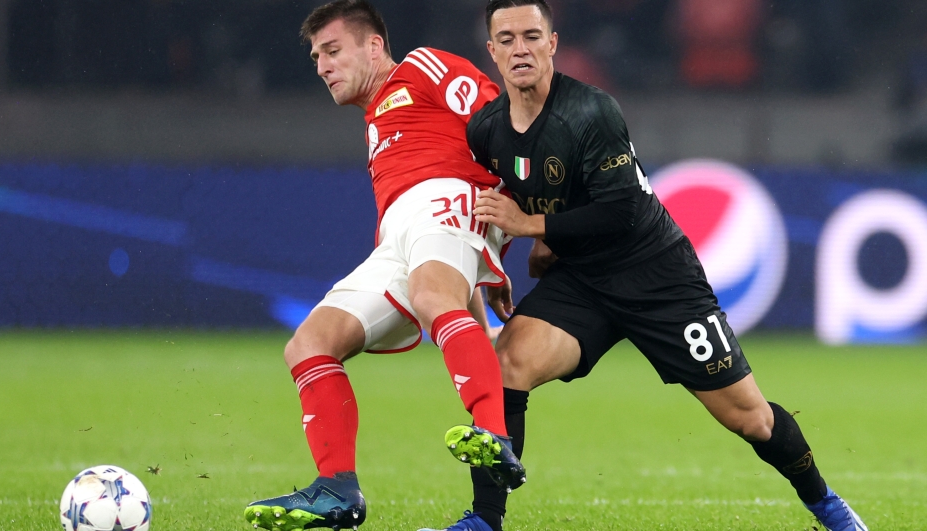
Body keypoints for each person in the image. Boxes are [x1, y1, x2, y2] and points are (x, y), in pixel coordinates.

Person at [422, 2, 868, 531]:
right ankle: (485, 521)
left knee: (750, 418)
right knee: (506, 365)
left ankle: (829, 507)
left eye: (532, 36)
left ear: (553, 44)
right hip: (583, 278)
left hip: (657, 276)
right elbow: (503, 202)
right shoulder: (487, 130)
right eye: (508, 38)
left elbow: (621, 210)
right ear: (491, 51)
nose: (521, 48)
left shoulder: (591, 111)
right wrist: (499, 264)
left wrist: (536, 228)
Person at [243, 1, 527, 530]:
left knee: (430, 294)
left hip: (445, 200)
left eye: (332, 50)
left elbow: (499, 120)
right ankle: (336, 490)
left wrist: (518, 214)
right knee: (308, 344)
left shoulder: (419, 67)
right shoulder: (377, 118)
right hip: (400, 236)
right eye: (316, 58)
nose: (323, 65)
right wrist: (482, 265)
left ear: (374, 46)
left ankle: (494, 434)